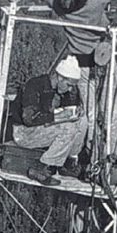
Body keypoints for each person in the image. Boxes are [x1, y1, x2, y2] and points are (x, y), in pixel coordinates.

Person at [32, 0, 117, 159]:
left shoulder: (60, 7)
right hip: (104, 63)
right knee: (112, 113)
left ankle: (92, 155)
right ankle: (112, 157)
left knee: (89, 112)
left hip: (81, 67)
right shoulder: (94, 3)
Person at [10, 56, 87, 186]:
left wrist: (76, 111)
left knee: (82, 121)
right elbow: (29, 119)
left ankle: (68, 163)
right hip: (24, 132)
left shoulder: (63, 88)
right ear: (60, 77)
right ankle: (40, 167)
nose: (70, 89)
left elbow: (71, 104)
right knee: (69, 128)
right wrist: (59, 116)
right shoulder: (35, 85)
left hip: (42, 128)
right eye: (68, 85)